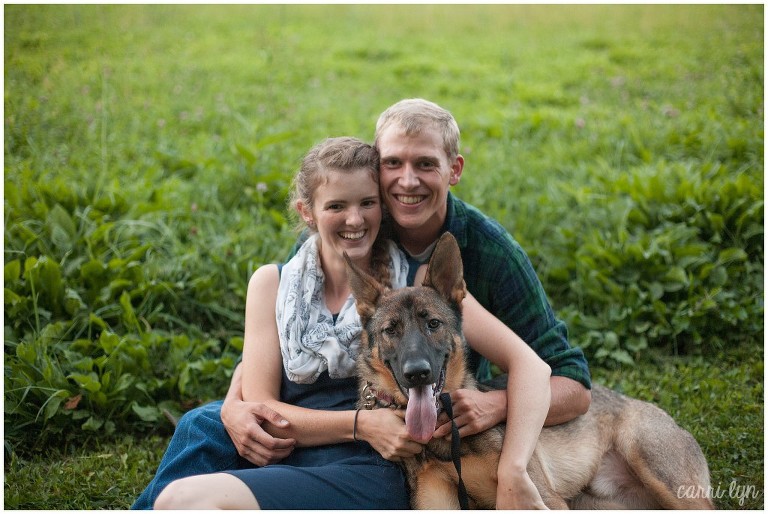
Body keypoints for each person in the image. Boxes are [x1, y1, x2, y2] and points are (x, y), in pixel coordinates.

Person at [132, 99, 591, 509]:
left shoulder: (429, 270)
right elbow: (270, 347)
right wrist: (235, 404)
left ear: (453, 170)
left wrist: (496, 412)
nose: (405, 184)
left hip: (392, 414)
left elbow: (552, 371)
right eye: (394, 165)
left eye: (425, 165)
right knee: (201, 423)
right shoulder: (325, 251)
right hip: (314, 409)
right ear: (309, 213)